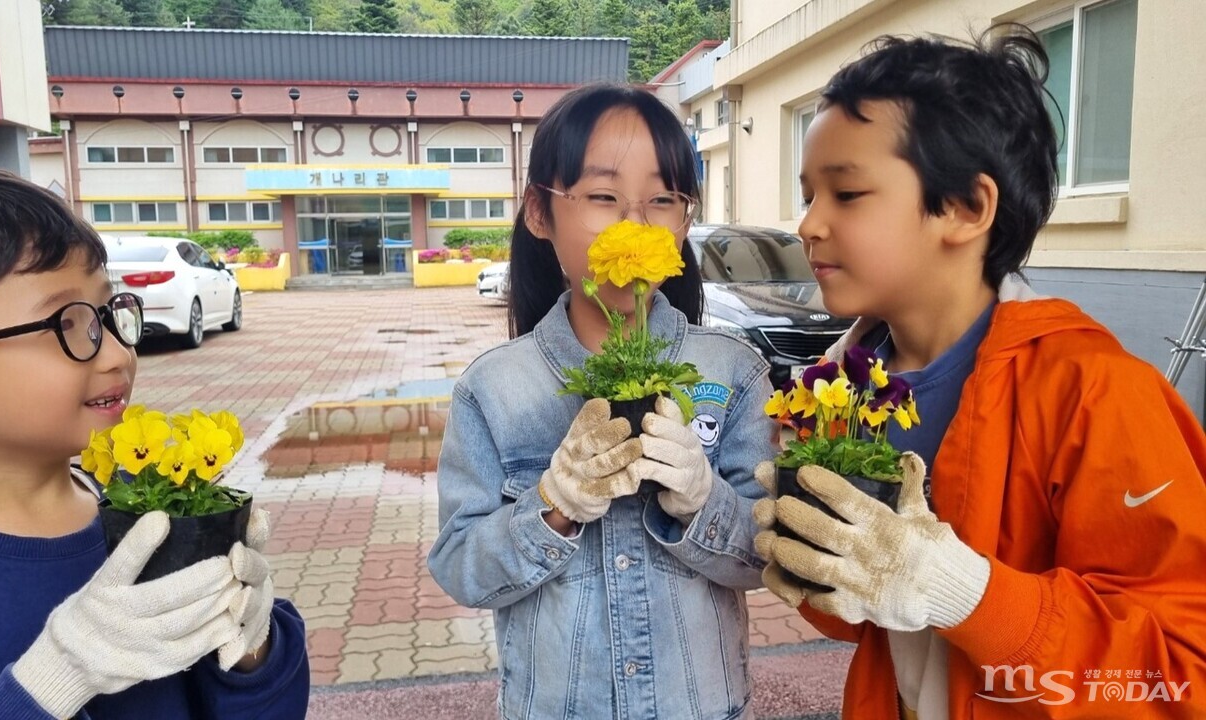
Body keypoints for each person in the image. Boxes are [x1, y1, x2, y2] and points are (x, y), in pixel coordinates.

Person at [751, 26, 1206, 719]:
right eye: (809, 194)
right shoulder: (835, 389)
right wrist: (817, 567)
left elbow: (1180, 678)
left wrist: (966, 594)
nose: (808, 224)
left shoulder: (1098, 395)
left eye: (846, 194)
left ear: (966, 209)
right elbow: (867, 625)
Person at [426, 84, 776, 719]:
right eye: (604, 197)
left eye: (662, 199)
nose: (635, 225)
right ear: (539, 212)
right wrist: (552, 507)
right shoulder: (495, 389)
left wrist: (704, 501)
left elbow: (763, 559)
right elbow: (461, 568)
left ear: (684, 221)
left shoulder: (733, 372)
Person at [0, 169, 310, 719]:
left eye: (108, 313)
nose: (114, 354)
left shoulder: (149, 506)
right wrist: (52, 681)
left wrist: (254, 651)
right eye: (66, 324)